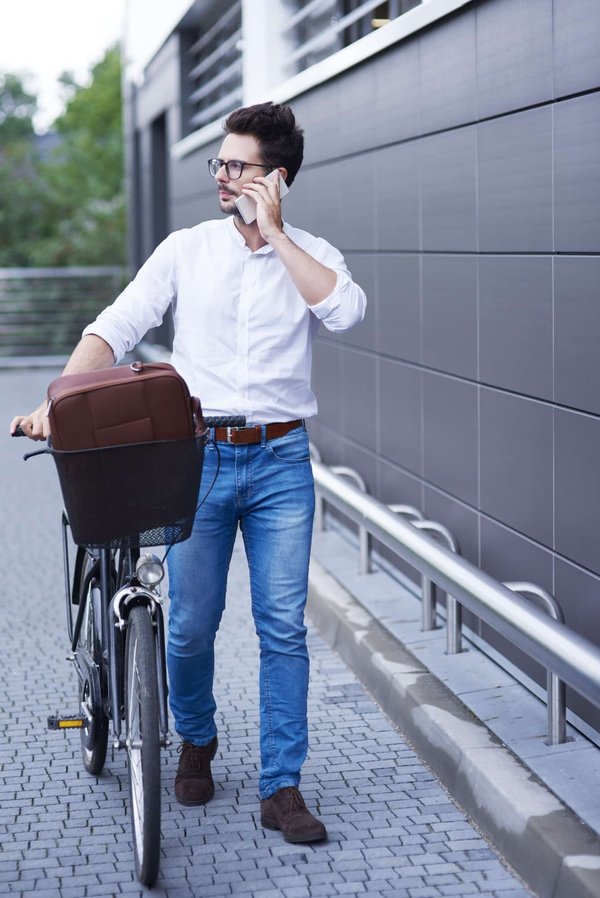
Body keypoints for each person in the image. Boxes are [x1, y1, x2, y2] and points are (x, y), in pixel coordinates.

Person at [11, 101, 366, 844]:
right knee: (192, 627)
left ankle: (282, 788)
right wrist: (59, 400)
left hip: (280, 465)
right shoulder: (188, 249)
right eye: (220, 163)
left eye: (239, 166)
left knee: (281, 629)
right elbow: (116, 324)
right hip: (198, 460)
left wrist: (274, 237)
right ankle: (197, 736)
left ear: (279, 179)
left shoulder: (312, 253)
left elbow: (345, 311)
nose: (223, 176)